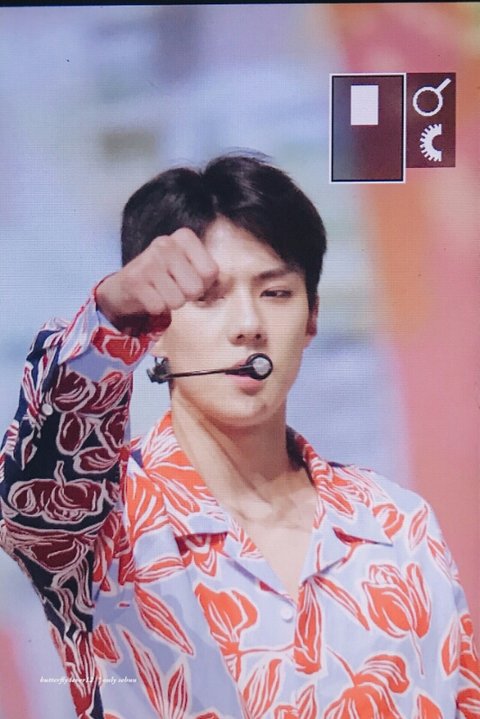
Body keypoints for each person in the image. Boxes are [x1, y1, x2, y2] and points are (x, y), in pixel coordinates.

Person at [0, 153, 478, 719]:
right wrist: (111, 318)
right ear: (153, 326)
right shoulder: (102, 522)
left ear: (312, 317)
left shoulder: (398, 525)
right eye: (208, 297)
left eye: (275, 293)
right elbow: (33, 490)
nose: (249, 325)